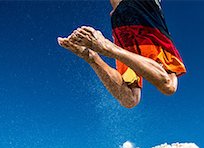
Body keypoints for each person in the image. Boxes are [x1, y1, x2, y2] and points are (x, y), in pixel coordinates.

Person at [57, 0, 187, 109]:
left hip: (125, 18)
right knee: (168, 85)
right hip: (142, 12)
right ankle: (108, 48)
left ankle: (91, 57)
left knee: (130, 99)